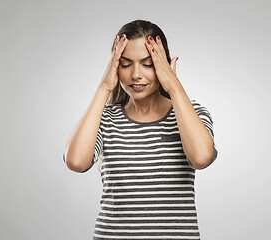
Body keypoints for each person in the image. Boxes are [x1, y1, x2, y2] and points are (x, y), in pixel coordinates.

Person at [63, 19, 218, 240]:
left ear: (162, 65)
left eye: (148, 64)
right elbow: (76, 162)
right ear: (115, 67)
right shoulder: (105, 118)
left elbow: (202, 158)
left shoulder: (191, 113)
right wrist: (104, 87)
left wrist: (174, 86)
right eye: (125, 64)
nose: (136, 74)